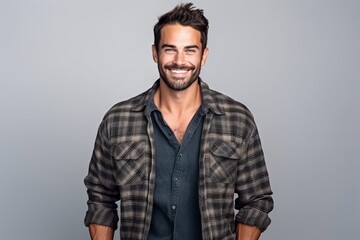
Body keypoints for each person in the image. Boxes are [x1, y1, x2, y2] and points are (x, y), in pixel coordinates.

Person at [84, 3, 273, 240]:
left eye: (190, 50)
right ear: (155, 53)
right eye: (170, 49)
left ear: (204, 55)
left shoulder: (238, 120)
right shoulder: (117, 121)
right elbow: (101, 199)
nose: (179, 61)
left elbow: (256, 201)